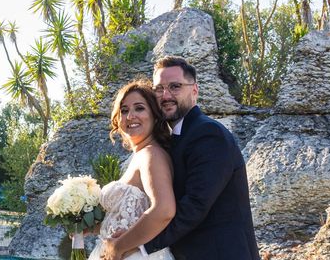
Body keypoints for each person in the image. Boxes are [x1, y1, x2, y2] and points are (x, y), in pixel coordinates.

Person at [104, 56, 261, 260]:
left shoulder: (208, 133)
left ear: (194, 90)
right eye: (159, 89)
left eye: (175, 87)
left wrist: (139, 247)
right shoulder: (174, 140)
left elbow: (195, 205)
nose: (166, 95)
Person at [89, 80, 176, 260]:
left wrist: (119, 247)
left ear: (155, 115)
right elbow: (128, 215)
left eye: (139, 108)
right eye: (124, 110)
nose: (130, 116)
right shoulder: (140, 156)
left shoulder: (152, 155)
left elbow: (164, 210)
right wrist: (87, 226)